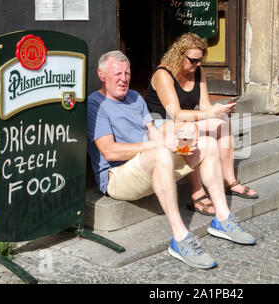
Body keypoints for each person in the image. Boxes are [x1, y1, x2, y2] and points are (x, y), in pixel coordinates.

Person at [87, 51, 256, 269]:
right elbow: (110, 152)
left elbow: (153, 132)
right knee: (160, 151)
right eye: (117, 73)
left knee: (206, 144)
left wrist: (181, 144)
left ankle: (223, 218)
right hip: (117, 176)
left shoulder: (135, 97)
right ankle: (180, 238)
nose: (124, 78)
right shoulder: (95, 104)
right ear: (101, 74)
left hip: (148, 162)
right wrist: (160, 146)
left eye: (127, 73)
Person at [144, 33, 259, 216]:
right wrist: (209, 113)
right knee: (190, 131)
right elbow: (176, 114)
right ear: (179, 55)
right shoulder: (163, 74)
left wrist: (220, 110)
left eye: (200, 60)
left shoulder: (198, 71)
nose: (197, 64)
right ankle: (196, 192)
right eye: (193, 60)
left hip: (183, 120)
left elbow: (205, 105)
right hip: (160, 121)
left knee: (223, 123)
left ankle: (229, 181)